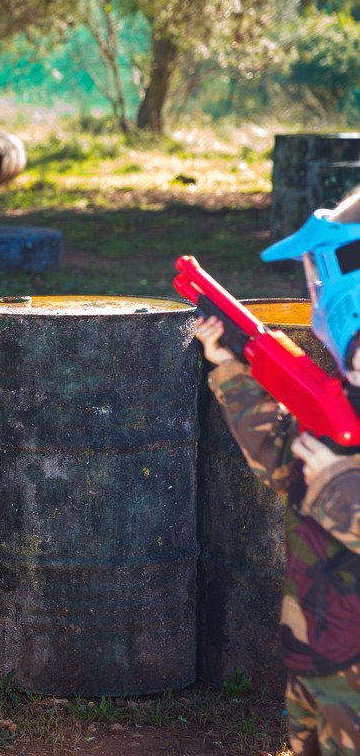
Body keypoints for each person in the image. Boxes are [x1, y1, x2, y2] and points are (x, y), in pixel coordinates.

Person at [197, 190, 360, 756]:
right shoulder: (346, 402)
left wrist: (339, 487)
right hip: (318, 648)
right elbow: (284, 461)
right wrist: (230, 370)